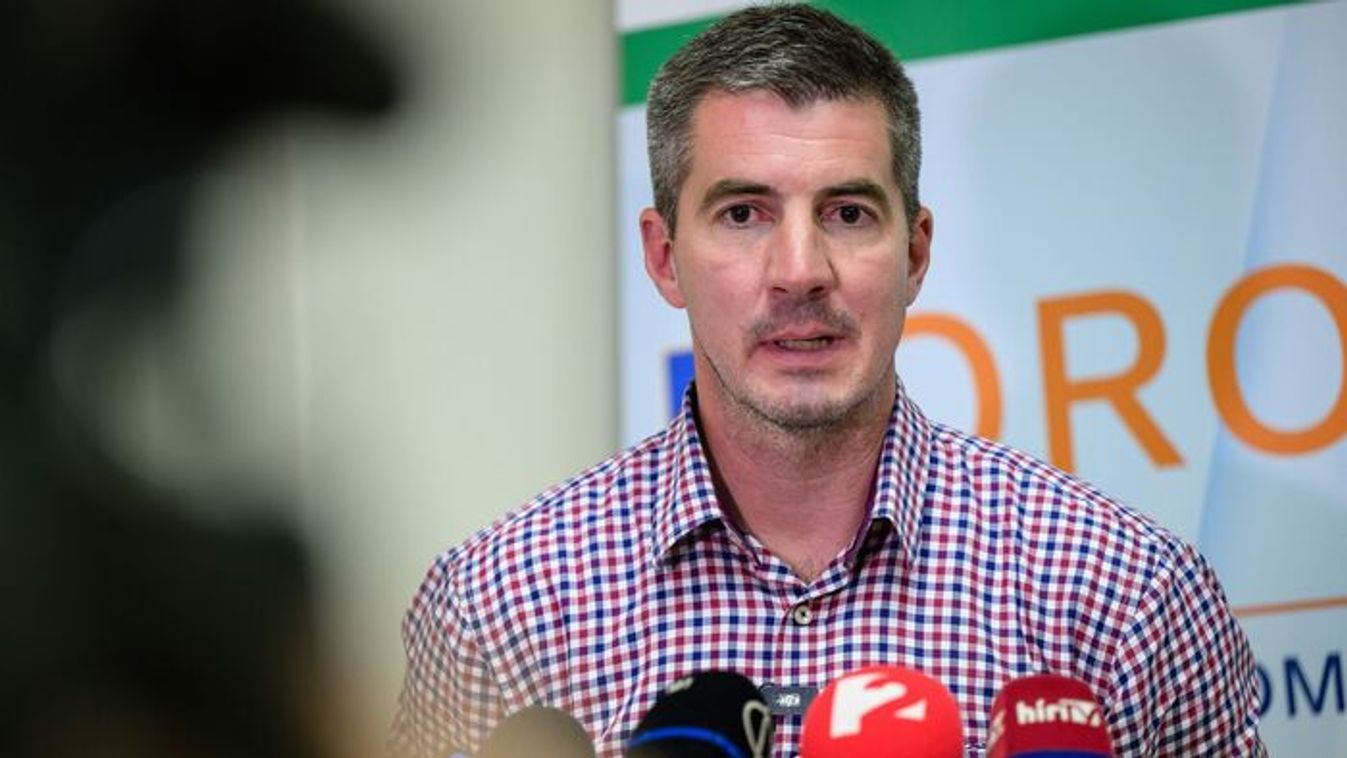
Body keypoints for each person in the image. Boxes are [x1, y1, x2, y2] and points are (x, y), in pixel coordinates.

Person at [390, 5, 1264, 756]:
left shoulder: (1127, 593)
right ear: (662, 257)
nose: (800, 271)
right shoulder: (497, 612)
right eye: (743, 214)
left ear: (914, 253)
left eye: (846, 213)